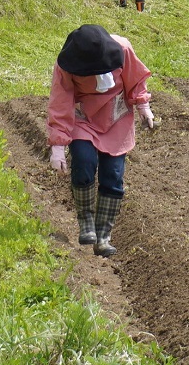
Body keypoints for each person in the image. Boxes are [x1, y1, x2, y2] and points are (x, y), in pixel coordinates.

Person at [47, 25, 154, 258]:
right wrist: (58, 146)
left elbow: (135, 80)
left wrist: (143, 105)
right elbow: (60, 101)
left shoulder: (123, 49)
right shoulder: (65, 65)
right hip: (83, 117)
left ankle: (103, 236)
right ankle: (86, 220)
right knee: (83, 164)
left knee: (113, 175)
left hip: (116, 117)